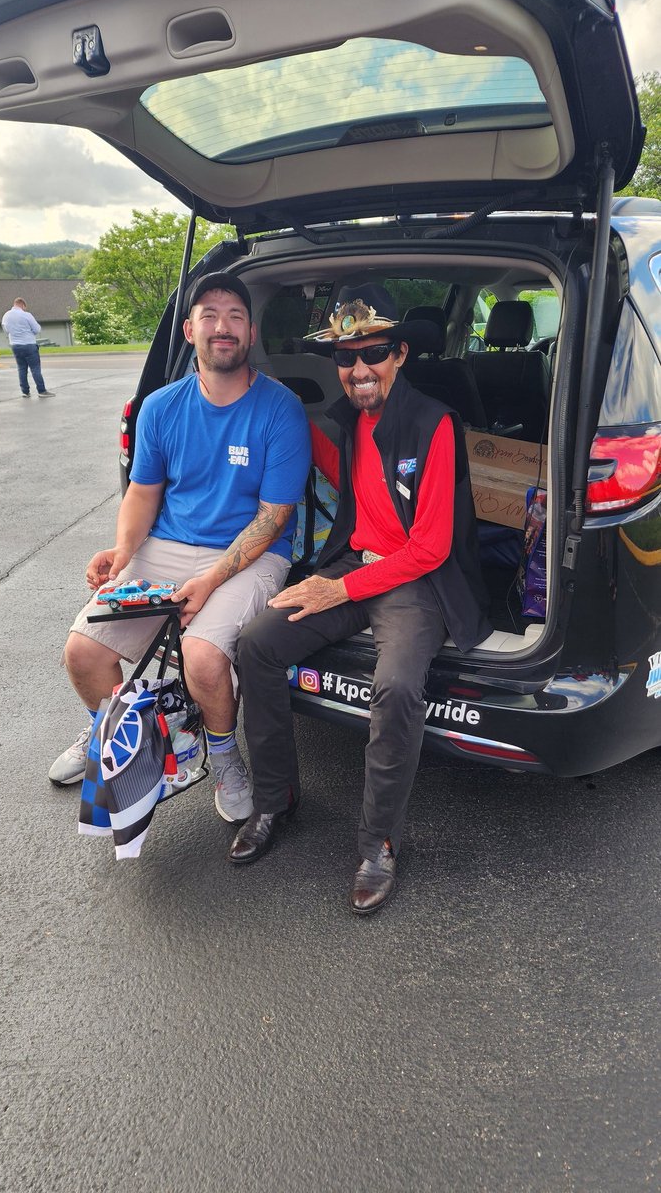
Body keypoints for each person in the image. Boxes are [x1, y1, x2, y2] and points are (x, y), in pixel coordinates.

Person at [229, 283, 491, 915]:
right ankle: (274, 799)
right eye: (345, 358)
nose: (357, 370)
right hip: (354, 566)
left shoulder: (435, 425)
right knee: (258, 644)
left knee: (398, 686)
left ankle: (378, 844)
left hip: (414, 583)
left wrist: (336, 588)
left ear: (399, 355)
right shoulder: (346, 422)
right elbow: (335, 473)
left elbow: (428, 549)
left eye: (372, 353)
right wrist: (273, 404)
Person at [49, 273, 311, 824]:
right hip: (165, 546)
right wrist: (122, 552)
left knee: (204, 657)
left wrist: (210, 581)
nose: (223, 326)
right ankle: (119, 740)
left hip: (252, 554)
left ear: (251, 331)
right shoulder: (160, 407)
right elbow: (143, 493)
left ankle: (223, 761)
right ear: (189, 329)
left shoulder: (280, 408)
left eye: (235, 316)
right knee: (84, 652)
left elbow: (273, 518)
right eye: (210, 315)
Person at [1, 296, 54, 398]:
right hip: (29, 345)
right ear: (22, 305)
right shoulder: (26, 315)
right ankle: (41, 391)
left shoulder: (6, 316)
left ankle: (25, 392)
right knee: (35, 369)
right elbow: (37, 329)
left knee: (21, 368)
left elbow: (6, 331)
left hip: (15, 345)